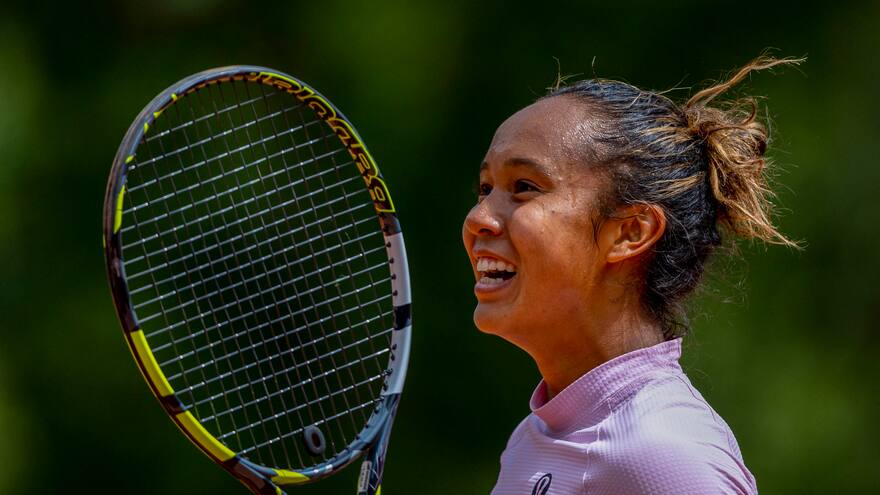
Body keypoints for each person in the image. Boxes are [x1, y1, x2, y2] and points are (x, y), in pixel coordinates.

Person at [462, 55, 802, 494]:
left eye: (524, 187)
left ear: (630, 232)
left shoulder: (663, 454)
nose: (478, 218)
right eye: (485, 189)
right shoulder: (532, 440)